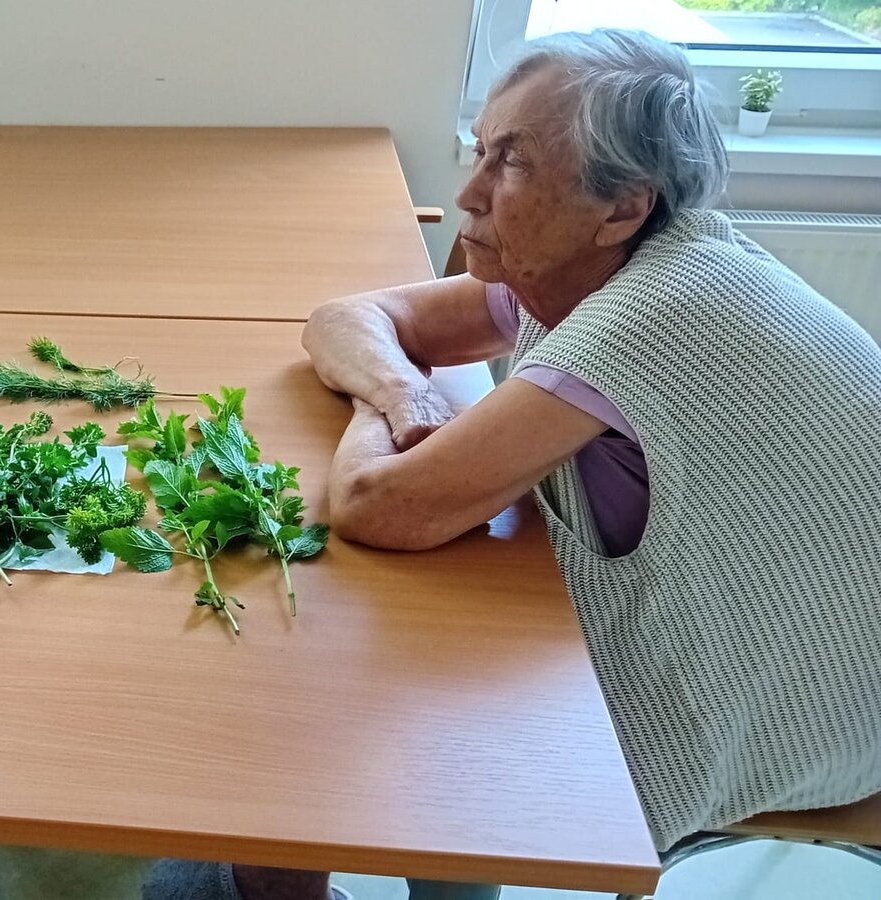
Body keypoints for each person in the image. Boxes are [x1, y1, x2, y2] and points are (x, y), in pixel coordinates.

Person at [151, 27, 881, 900]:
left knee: (351, 691)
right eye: (481, 148)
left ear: (622, 207)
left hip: (815, 700)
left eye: (514, 163)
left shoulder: (655, 311)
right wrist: (403, 389)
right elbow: (344, 319)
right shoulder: (593, 269)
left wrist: (387, 405)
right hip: (763, 622)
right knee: (375, 647)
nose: (469, 191)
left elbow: (379, 504)